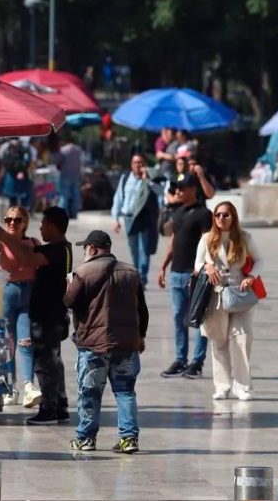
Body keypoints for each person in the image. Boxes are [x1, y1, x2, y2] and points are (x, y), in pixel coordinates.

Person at [64, 230, 148, 454]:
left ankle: (86, 438)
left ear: (91, 249)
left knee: (89, 393)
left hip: (93, 345)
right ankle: (129, 438)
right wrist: (141, 336)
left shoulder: (82, 273)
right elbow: (142, 309)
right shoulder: (131, 273)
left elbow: (69, 302)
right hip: (126, 344)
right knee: (125, 391)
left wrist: (69, 284)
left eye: (85, 249)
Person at [0, 206, 72, 425]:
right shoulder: (60, 248)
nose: (41, 228)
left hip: (47, 316)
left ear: (53, 226)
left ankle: (49, 408)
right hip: (53, 314)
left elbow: (27, 258)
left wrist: (4, 237)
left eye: (44, 224)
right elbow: (27, 252)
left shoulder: (55, 250)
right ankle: (60, 404)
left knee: (45, 363)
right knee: (54, 361)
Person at [194, 201, 262, 401]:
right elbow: (197, 262)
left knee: (242, 339)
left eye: (226, 215)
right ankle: (222, 386)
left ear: (234, 217)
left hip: (240, 293)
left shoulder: (245, 238)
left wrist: (251, 277)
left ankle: (242, 386)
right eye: (218, 215)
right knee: (218, 341)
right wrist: (207, 267)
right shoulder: (207, 238)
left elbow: (260, 260)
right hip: (216, 296)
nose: (221, 219)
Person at [0, 206, 41, 407]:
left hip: (28, 296)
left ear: (25, 223)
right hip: (7, 293)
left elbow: (33, 259)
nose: (12, 223)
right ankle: (9, 387)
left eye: (17, 219)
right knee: (7, 342)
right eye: (8, 220)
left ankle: (29, 386)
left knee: (25, 341)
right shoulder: (0, 243)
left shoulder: (33, 243)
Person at [157, 174, 212, 379]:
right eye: (177, 188)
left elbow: (208, 245)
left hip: (194, 273)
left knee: (198, 318)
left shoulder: (204, 214)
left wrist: (200, 271)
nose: (178, 191)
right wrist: (163, 266)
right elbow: (173, 241)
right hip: (176, 273)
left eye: (182, 188)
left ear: (193, 189)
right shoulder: (178, 212)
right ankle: (181, 359)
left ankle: (197, 361)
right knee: (178, 317)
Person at [111, 154, 160, 287]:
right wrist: (115, 219)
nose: (138, 165)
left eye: (140, 162)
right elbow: (118, 198)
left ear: (145, 164)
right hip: (129, 217)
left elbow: (160, 192)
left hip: (145, 217)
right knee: (134, 249)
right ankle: (136, 273)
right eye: (135, 162)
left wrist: (148, 180)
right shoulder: (125, 178)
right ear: (131, 165)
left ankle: (142, 277)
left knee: (144, 249)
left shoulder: (151, 178)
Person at [0, 138, 35, 208]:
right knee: (17, 200)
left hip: (16, 177)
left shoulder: (23, 149)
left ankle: (18, 212)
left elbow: (27, 161)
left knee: (18, 200)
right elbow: (28, 162)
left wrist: (22, 170)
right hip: (16, 177)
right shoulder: (8, 149)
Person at [57, 135, 84, 219]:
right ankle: (74, 213)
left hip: (65, 175)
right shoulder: (78, 150)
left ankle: (62, 214)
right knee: (75, 194)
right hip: (75, 175)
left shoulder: (63, 150)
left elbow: (59, 163)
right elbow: (81, 162)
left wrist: (60, 168)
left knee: (64, 196)